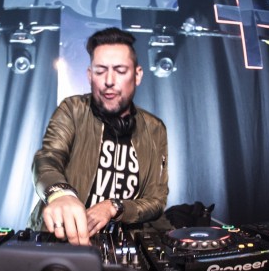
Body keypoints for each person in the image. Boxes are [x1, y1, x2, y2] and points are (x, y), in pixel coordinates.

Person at [28, 27, 169, 245]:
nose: (109, 80)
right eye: (100, 70)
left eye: (120, 70)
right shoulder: (73, 110)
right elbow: (48, 158)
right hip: (61, 242)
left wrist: (114, 206)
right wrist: (60, 194)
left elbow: (156, 200)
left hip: (121, 245)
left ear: (137, 75)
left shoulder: (155, 128)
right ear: (89, 75)